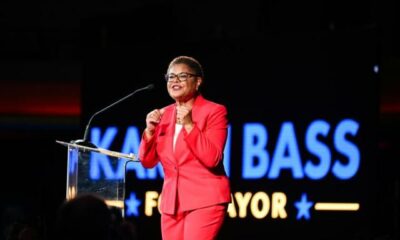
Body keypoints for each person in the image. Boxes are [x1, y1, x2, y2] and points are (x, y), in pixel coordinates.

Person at [138, 55, 231, 240]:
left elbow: (212, 158)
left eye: (182, 76)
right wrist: (149, 132)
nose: (175, 81)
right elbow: (147, 162)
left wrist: (190, 125)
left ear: (198, 81)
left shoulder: (214, 111)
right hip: (171, 205)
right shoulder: (163, 114)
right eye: (171, 77)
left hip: (205, 200)